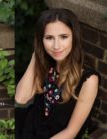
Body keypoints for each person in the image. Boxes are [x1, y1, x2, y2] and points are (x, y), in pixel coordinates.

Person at [15, 9, 100, 139]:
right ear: (41, 41)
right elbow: (21, 98)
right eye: (49, 38)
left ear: (74, 37)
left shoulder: (88, 79)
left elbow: (70, 132)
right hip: (29, 129)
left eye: (63, 37)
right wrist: (36, 56)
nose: (56, 46)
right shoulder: (46, 64)